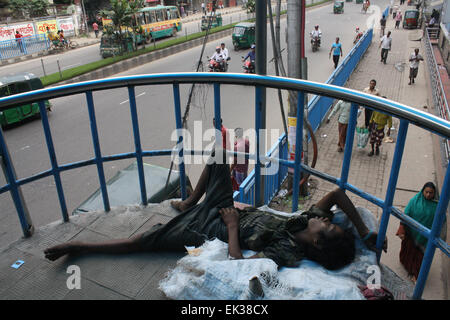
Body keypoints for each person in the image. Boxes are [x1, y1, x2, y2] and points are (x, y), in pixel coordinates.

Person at [44, 151, 387, 270]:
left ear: (317, 245)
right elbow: (339, 194)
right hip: (223, 207)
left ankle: (80, 246)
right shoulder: (308, 221)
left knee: (141, 241)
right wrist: (364, 231)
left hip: (210, 228)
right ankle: (189, 199)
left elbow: (237, 267)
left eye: (326, 228)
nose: (323, 220)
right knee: (219, 154)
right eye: (328, 222)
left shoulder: (286, 252)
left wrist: (234, 227)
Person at [396, 182, 442, 283]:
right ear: (422, 191)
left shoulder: (437, 206)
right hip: (411, 233)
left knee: (420, 257)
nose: (428, 195)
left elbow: (440, 221)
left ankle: (415, 275)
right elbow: (406, 213)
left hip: (424, 237)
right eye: (426, 192)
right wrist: (402, 227)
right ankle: (407, 265)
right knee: (408, 251)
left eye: (431, 193)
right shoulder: (415, 201)